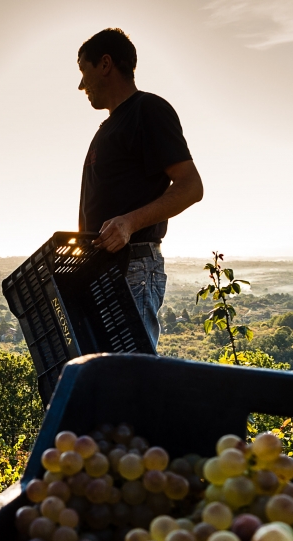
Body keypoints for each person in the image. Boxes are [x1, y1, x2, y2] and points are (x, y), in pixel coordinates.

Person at [77, 28, 203, 348]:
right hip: (102, 269)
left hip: (133, 265)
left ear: (105, 64)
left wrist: (128, 223)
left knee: (130, 376)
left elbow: (191, 186)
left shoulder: (147, 110)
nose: (81, 85)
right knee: (105, 377)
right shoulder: (107, 129)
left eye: (83, 70)